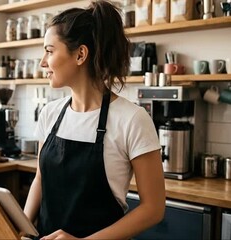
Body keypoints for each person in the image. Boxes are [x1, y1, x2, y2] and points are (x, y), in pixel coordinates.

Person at [23, 1, 165, 239]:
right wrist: (23, 229)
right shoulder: (50, 113)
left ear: (80, 54)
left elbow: (154, 209)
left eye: (49, 50)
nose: (43, 62)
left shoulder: (132, 119)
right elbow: (40, 179)